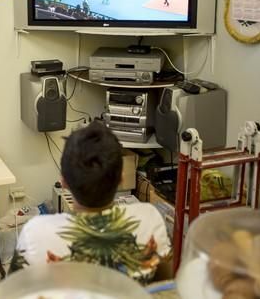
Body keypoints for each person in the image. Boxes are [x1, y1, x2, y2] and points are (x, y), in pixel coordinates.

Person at [10, 121, 170, 285]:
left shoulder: (35, 233)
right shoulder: (150, 218)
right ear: (122, 179)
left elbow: (13, 291)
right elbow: (163, 284)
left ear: (63, 182)